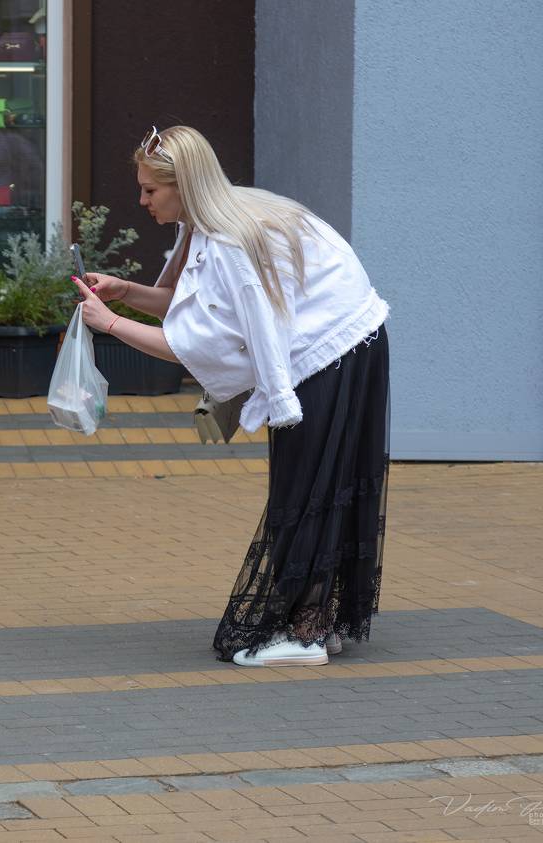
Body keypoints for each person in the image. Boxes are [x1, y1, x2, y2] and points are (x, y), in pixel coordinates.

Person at [71, 125, 390, 668]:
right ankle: (316, 623)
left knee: (307, 487)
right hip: (351, 341)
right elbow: (192, 305)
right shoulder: (221, 218)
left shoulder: (225, 241)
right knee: (320, 484)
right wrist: (126, 293)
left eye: (150, 190)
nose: (142, 200)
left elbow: (197, 343)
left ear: (184, 186)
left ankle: (307, 637)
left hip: (332, 351)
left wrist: (111, 324)